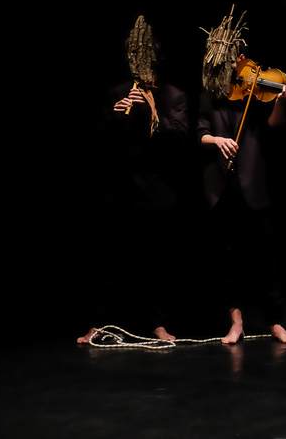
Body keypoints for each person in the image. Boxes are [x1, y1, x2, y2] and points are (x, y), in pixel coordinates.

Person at [78, 24, 189, 344]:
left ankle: (157, 324)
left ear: (157, 58)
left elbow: (180, 139)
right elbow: (98, 143)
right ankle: (100, 323)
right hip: (121, 191)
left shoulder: (173, 95)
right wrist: (115, 119)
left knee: (157, 263)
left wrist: (151, 112)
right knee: (110, 261)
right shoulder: (118, 92)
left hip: (157, 191)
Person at [197, 56, 286, 344]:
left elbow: (273, 125)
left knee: (266, 257)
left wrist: (281, 103)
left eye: (240, 56)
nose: (238, 61)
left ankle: (275, 321)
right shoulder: (209, 94)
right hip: (220, 184)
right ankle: (236, 322)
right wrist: (217, 140)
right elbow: (199, 133)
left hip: (253, 181)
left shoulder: (253, 92)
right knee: (228, 260)